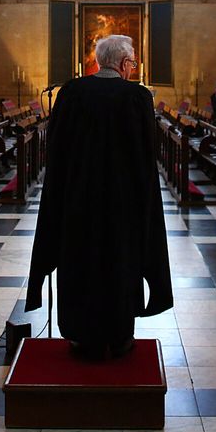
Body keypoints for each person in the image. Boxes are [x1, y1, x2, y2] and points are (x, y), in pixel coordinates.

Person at [27, 34, 172, 359]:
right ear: (123, 64)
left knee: (79, 261)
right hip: (123, 207)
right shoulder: (136, 97)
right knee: (120, 264)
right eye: (132, 62)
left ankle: (80, 335)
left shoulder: (71, 93)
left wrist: (60, 196)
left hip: (77, 202)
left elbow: (57, 151)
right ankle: (119, 336)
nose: (133, 68)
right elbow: (146, 159)